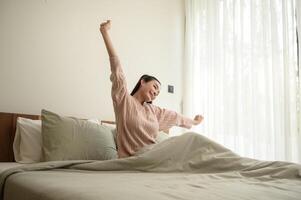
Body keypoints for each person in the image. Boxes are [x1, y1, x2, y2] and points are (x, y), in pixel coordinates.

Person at [100, 20, 204, 158]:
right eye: (155, 87)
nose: (156, 93)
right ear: (142, 82)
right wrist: (105, 33)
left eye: (158, 93)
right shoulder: (124, 101)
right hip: (132, 162)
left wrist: (194, 122)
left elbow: (176, 117)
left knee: (194, 140)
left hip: (155, 158)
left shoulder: (153, 111)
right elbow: (117, 70)